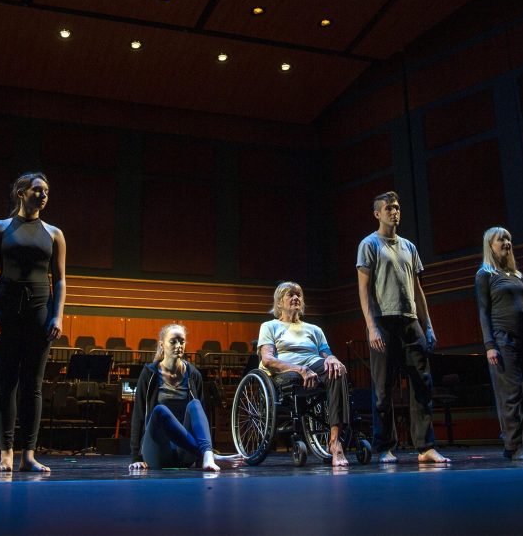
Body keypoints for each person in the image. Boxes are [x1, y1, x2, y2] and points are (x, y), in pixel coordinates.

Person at [0, 172, 66, 472]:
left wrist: (58, 315)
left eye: (46, 190)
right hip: (5, 308)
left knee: (33, 385)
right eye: (37, 189)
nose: (43, 195)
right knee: (6, 383)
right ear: (20, 192)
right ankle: (6, 453)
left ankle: (28, 454)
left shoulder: (54, 233)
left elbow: (61, 279)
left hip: (39, 310)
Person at [356, 191, 448, 465]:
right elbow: (363, 290)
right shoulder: (369, 244)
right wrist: (371, 327)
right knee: (383, 389)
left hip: (409, 321)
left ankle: (425, 446)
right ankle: (385, 446)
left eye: (397, 208)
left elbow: (418, 290)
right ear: (377, 213)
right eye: (389, 208)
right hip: (383, 321)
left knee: (422, 383)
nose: (394, 212)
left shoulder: (409, 246)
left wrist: (427, 325)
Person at [257, 282, 352, 467]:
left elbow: (326, 353)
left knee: (337, 372)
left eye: (299, 295)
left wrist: (333, 359)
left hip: (313, 364)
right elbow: (267, 359)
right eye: (290, 295)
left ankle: (335, 441)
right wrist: (299, 369)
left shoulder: (314, 329)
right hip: (286, 369)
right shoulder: (270, 326)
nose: (296, 298)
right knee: (297, 376)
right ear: (279, 303)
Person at [129, 323, 242, 472]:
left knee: (195, 404)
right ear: (162, 345)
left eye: (182, 341)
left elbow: (202, 418)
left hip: (186, 451)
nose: (178, 345)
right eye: (173, 341)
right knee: (160, 411)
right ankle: (209, 455)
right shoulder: (149, 374)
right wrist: (136, 458)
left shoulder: (193, 374)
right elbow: (138, 416)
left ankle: (207, 455)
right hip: (158, 451)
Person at [475, 227, 523, 460]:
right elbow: (483, 311)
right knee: (511, 392)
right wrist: (489, 345)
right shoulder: (485, 274)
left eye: (508, 238)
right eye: (501, 239)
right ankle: (515, 446)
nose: (506, 242)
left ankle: (514, 441)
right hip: (503, 339)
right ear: (490, 245)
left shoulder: (517, 274)